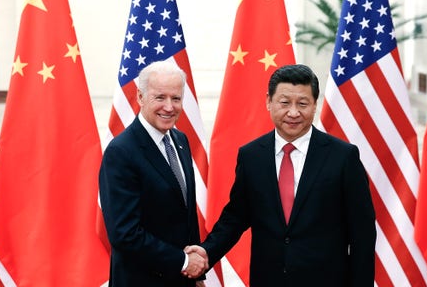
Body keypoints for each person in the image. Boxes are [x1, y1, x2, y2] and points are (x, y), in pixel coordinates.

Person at [188, 64, 376, 286]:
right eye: (285, 102)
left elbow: (362, 234)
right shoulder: (251, 156)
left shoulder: (343, 157)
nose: (294, 112)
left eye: (303, 103)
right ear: (269, 101)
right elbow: (236, 217)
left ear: (315, 104)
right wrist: (206, 253)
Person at [99, 60, 208, 287]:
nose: (169, 107)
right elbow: (124, 234)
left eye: (176, 98)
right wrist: (183, 261)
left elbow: (185, 213)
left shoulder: (180, 140)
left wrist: (197, 275)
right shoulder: (121, 152)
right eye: (160, 98)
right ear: (140, 97)